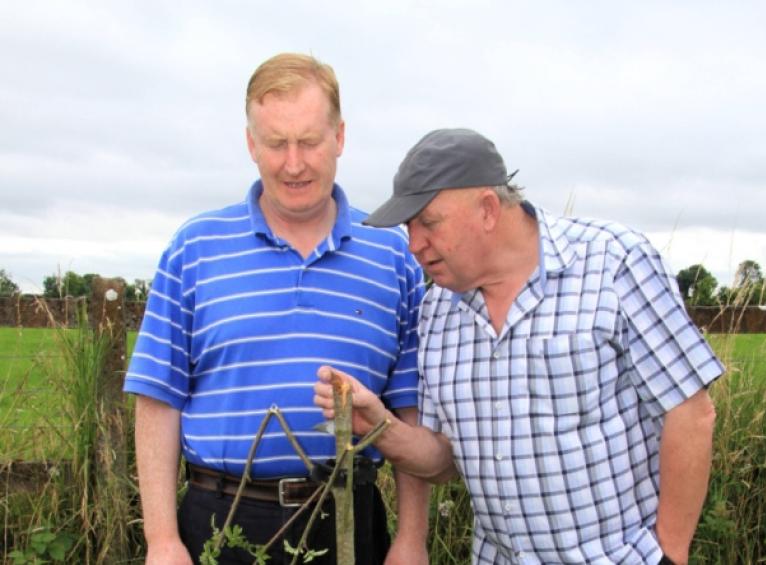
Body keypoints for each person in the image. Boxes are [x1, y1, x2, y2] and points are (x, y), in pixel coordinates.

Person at [315, 128, 724, 564]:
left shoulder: (613, 263)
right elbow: (443, 460)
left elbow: (691, 413)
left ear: (488, 209)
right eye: (409, 227)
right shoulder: (437, 309)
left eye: (429, 223)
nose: (414, 244)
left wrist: (671, 553)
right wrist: (380, 426)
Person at [124, 53, 429, 565]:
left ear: (340, 138)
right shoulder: (195, 248)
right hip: (220, 524)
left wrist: (411, 539)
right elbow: (158, 398)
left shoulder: (392, 255)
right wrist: (162, 541)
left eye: (309, 141)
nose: (293, 163)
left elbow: (411, 408)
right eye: (275, 143)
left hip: (351, 524)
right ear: (250, 144)